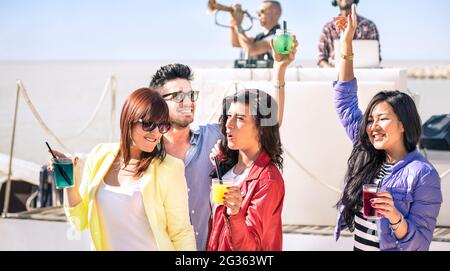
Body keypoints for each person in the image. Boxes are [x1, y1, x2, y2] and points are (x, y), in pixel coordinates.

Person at [149, 38, 297, 250]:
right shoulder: (148, 152)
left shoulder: (214, 137)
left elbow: (265, 123)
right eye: (178, 96)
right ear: (158, 101)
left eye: (191, 94)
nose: (188, 101)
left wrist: (279, 72)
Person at [333, 4, 442, 251]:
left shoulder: (423, 174)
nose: (373, 126)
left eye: (382, 118)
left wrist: (394, 217)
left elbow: (419, 243)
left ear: (403, 123)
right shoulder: (366, 150)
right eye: (370, 120)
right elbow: (345, 101)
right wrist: (347, 45)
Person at [47, 88, 196, 251]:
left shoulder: (170, 168)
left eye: (162, 126)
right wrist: (69, 177)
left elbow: (181, 232)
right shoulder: (99, 155)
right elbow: (79, 220)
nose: (155, 133)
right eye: (148, 124)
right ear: (128, 120)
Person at [207, 89, 285, 251]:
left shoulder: (268, 180)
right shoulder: (226, 168)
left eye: (240, 118)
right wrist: (219, 167)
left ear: (262, 128)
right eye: (229, 116)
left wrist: (235, 214)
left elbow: (250, 248)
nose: (229, 124)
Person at [318, 0, 381, 68]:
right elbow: (321, 59)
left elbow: (376, 57)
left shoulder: (369, 26)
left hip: (365, 76)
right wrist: (334, 73)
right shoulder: (328, 28)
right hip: (337, 77)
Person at [230, 0, 282, 68]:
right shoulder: (260, 36)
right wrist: (233, 22)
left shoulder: (278, 37)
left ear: (276, 13)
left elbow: (251, 49)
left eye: (262, 11)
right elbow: (236, 43)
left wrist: (238, 24)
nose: (258, 15)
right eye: (258, 12)